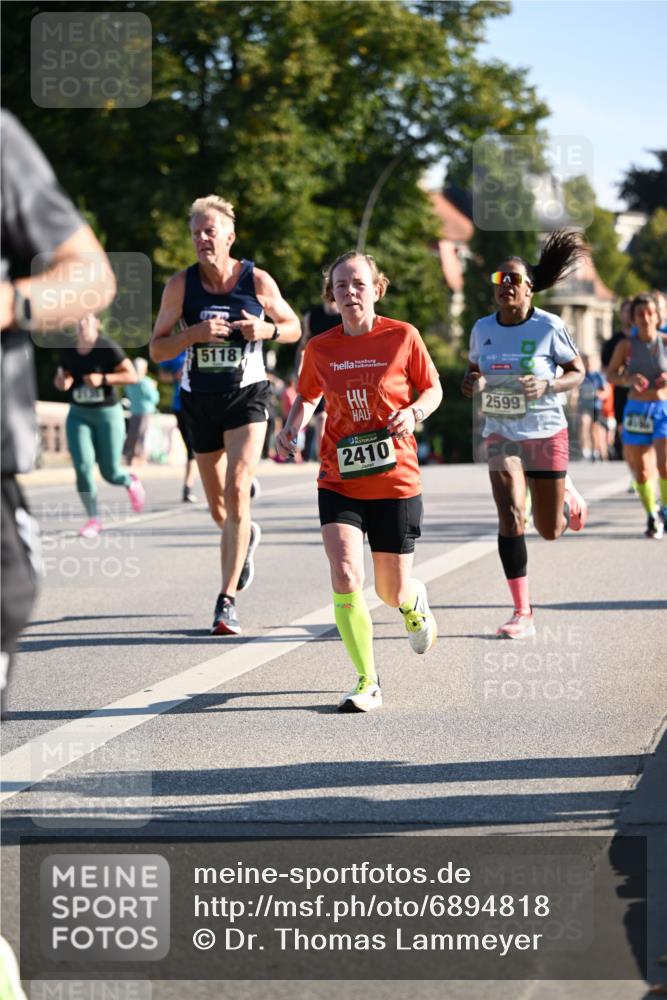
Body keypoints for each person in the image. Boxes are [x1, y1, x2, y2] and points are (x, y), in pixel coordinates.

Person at [276, 251, 443, 713]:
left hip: (395, 480)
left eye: (358, 284)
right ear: (332, 295)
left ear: (376, 288)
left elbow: (433, 388)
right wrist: (293, 425)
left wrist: (414, 412)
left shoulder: (402, 336)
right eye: (341, 285)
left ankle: (412, 603)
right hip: (340, 477)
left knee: (390, 591)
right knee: (346, 572)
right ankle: (367, 680)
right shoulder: (320, 347)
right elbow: (307, 396)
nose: (350, 292)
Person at [0, 110, 116, 694]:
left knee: (110, 468)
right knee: (93, 471)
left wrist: (10, 304)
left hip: (98, 419)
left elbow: (92, 276)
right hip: (77, 414)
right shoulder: (73, 356)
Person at [149, 194, 301, 635]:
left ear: (229, 236)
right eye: (195, 232)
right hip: (199, 401)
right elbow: (157, 348)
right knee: (220, 507)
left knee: (238, 488)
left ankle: (226, 601)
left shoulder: (256, 281)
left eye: (209, 231)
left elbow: (293, 328)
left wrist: (268, 329)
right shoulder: (181, 286)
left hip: (246, 396)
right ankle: (245, 534)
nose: (201, 239)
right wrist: (191, 334)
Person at [462, 230, 588, 640]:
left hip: (547, 431)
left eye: (513, 279)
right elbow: (475, 371)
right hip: (503, 432)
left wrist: (547, 385)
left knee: (549, 529)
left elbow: (578, 372)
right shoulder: (482, 329)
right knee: (511, 516)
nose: (505, 286)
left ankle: (565, 495)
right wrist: (472, 383)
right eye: (499, 280)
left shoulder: (550, 326)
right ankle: (522, 612)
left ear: (530, 288)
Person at [55, 314, 146, 537]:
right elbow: (62, 378)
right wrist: (61, 381)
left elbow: (132, 376)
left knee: (110, 472)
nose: (82, 324)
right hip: (79, 414)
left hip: (107, 414)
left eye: (87, 320)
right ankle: (93, 518)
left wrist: (103, 379)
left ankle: (129, 481)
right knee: (83, 467)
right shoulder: (68, 350)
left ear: (98, 324)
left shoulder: (107, 347)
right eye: (79, 320)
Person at [606, 292, 667, 539]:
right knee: (641, 471)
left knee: (664, 465)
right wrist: (628, 379)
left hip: (662, 408)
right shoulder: (626, 346)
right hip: (636, 410)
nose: (645, 318)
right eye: (640, 314)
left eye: (649, 313)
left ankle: (665, 509)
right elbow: (611, 374)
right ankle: (652, 514)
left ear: (657, 316)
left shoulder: (665, 341)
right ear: (633, 319)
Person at [294, 296, 341, 460]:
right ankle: (324, 461)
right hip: (319, 373)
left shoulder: (345, 315)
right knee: (321, 417)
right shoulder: (312, 316)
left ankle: (339, 458)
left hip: (342, 373)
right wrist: (298, 371)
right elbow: (302, 346)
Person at [158, 349, 199, 502]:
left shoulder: (205, 344)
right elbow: (163, 374)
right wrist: (175, 376)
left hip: (204, 404)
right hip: (180, 405)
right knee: (191, 447)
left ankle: (188, 486)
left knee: (202, 446)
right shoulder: (177, 349)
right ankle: (187, 489)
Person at [601, 298, 633, 460]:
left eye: (631, 311)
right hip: (620, 393)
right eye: (625, 311)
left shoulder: (647, 339)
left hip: (646, 394)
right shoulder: (614, 342)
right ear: (621, 315)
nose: (628, 315)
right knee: (625, 432)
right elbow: (606, 369)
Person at [123, 356, 160, 465]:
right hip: (146, 412)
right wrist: (154, 387)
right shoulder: (146, 382)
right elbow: (154, 398)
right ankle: (139, 458)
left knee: (133, 434)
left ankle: (130, 456)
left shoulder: (129, 382)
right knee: (143, 436)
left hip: (134, 411)